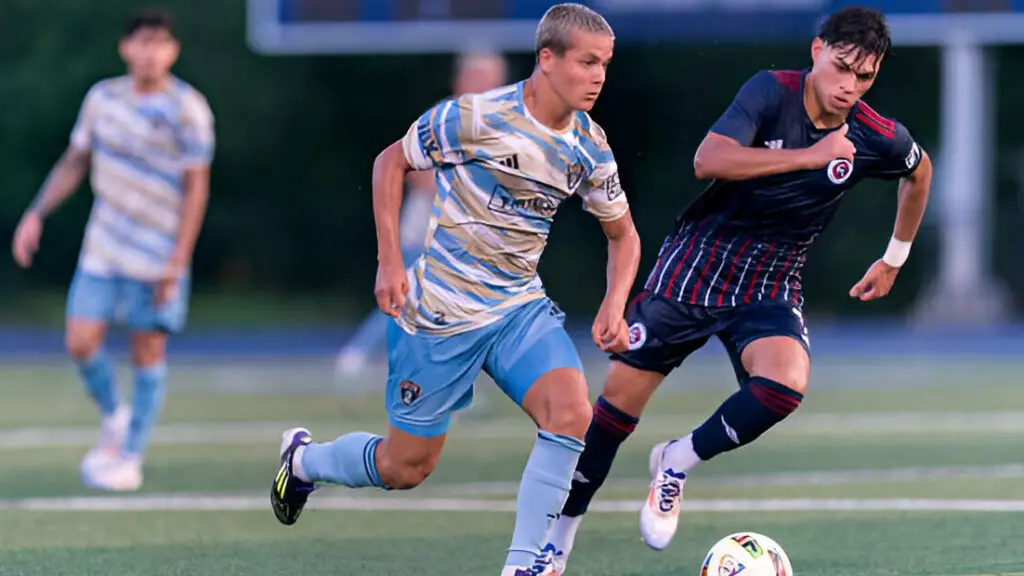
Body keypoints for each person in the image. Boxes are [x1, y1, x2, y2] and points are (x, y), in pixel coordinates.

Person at [537, 6, 933, 574]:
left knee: (785, 386)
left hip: (771, 281)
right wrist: (811, 156)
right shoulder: (771, 92)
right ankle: (561, 535)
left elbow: (919, 173)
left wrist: (895, 258)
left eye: (865, 76)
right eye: (842, 67)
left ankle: (677, 460)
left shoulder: (874, 134)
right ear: (817, 50)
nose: (850, 86)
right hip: (694, 268)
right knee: (616, 409)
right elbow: (708, 159)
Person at [270, 4, 641, 575]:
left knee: (570, 415)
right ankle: (304, 463)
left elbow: (624, 236)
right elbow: (389, 164)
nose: (599, 77)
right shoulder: (475, 117)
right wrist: (390, 262)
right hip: (438, 313)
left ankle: (522, 566)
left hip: (517, 309)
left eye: (606, 65)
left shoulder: (590, 146)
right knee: (405, 467)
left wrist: (614, 304)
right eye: (587, 62)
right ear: (547, 59)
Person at [10, 9, 215, 492]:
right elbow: (74, 160)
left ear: (174, 51)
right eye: (142, 42)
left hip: (159, 251)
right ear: (126, 47)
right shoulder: (102, 99)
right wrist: (36, 212)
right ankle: (114, 415)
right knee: (80, 340)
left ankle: (131, 456)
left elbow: (197, 189)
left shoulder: (188, 108)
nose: (150, 52)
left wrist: (178, 260)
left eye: (160, 43)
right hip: (103, 245)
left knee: (148, 349)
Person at [334, 51, 510, 380]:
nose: (487, 86)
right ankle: (359, 355)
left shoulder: (501, 125)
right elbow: (411, 170)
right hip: (426, 229)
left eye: (492, 79)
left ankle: (452, 374)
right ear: (461, 80)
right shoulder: (442, 118)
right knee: (405, 297)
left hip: (470, 236)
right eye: (479, 78)